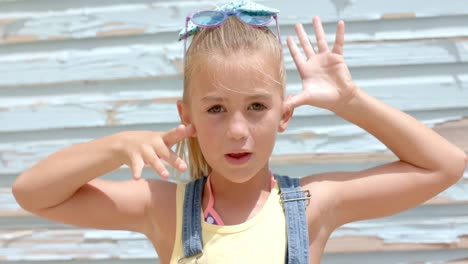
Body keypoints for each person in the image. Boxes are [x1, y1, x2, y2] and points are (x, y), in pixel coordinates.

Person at [12, 1, 467, 263]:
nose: (236, 130)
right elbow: (32, 193)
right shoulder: (164, 210)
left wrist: (351, 102)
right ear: (185, 115)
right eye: (215, 108)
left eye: (256, 107)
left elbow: (446, 165)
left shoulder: (311, 207)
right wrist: (115, 145)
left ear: (284, 114)